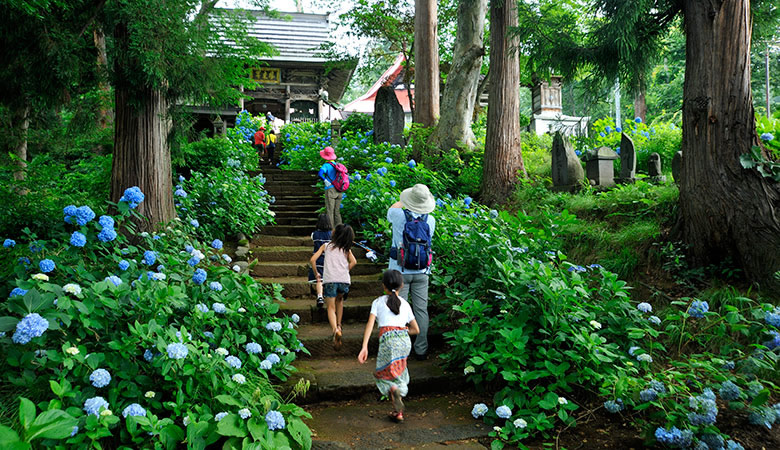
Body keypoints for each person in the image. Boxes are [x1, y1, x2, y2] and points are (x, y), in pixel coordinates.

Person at [358, 269, 420, 423]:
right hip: (404, 341)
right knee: (399, 373)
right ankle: (398, 412)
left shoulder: (378, 302)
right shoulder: (405, 304)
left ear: (383, 286)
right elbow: (416, 329)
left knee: (384, 375)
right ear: (402, 285)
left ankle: (392, 390)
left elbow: (370, 324)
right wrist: (404, 330)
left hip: (387, 341)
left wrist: (364, 346)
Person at [387, 184, 436, 360]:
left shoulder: (397, 214)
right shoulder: (430, 220)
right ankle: (421, 349)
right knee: (421, 310)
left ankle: (399, 349)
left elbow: (392, 208)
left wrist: (403, 201)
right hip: (422, 272)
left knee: (398, 310)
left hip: (399, 271)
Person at [311, 224, 356, 350]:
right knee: (339, 301)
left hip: (330, 280)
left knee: (330, 308)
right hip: (344, 281)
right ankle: (339, 325)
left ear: (335, 234)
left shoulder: (327, 246)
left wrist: (317, 273)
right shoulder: (346, 248)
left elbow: (312, 260)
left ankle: (335, 330)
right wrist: (345, 270)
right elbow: (354, 262)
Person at [308, 214, 332, 308]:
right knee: (328, 279)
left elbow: (313, 239)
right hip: (329, 260)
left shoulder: (314, 234)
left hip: (318, 259)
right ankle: (328, 296)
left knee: (319, 279)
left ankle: (320, 296)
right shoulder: (332, 234)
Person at [317, 146, 342, 228]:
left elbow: (320, 174)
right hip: (339, 190)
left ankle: (331, 232)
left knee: (330, 211)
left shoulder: (326, 165)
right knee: (337, 212)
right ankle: (339, 231)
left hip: (330, 189)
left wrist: (325, 180)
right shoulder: (337, 165)